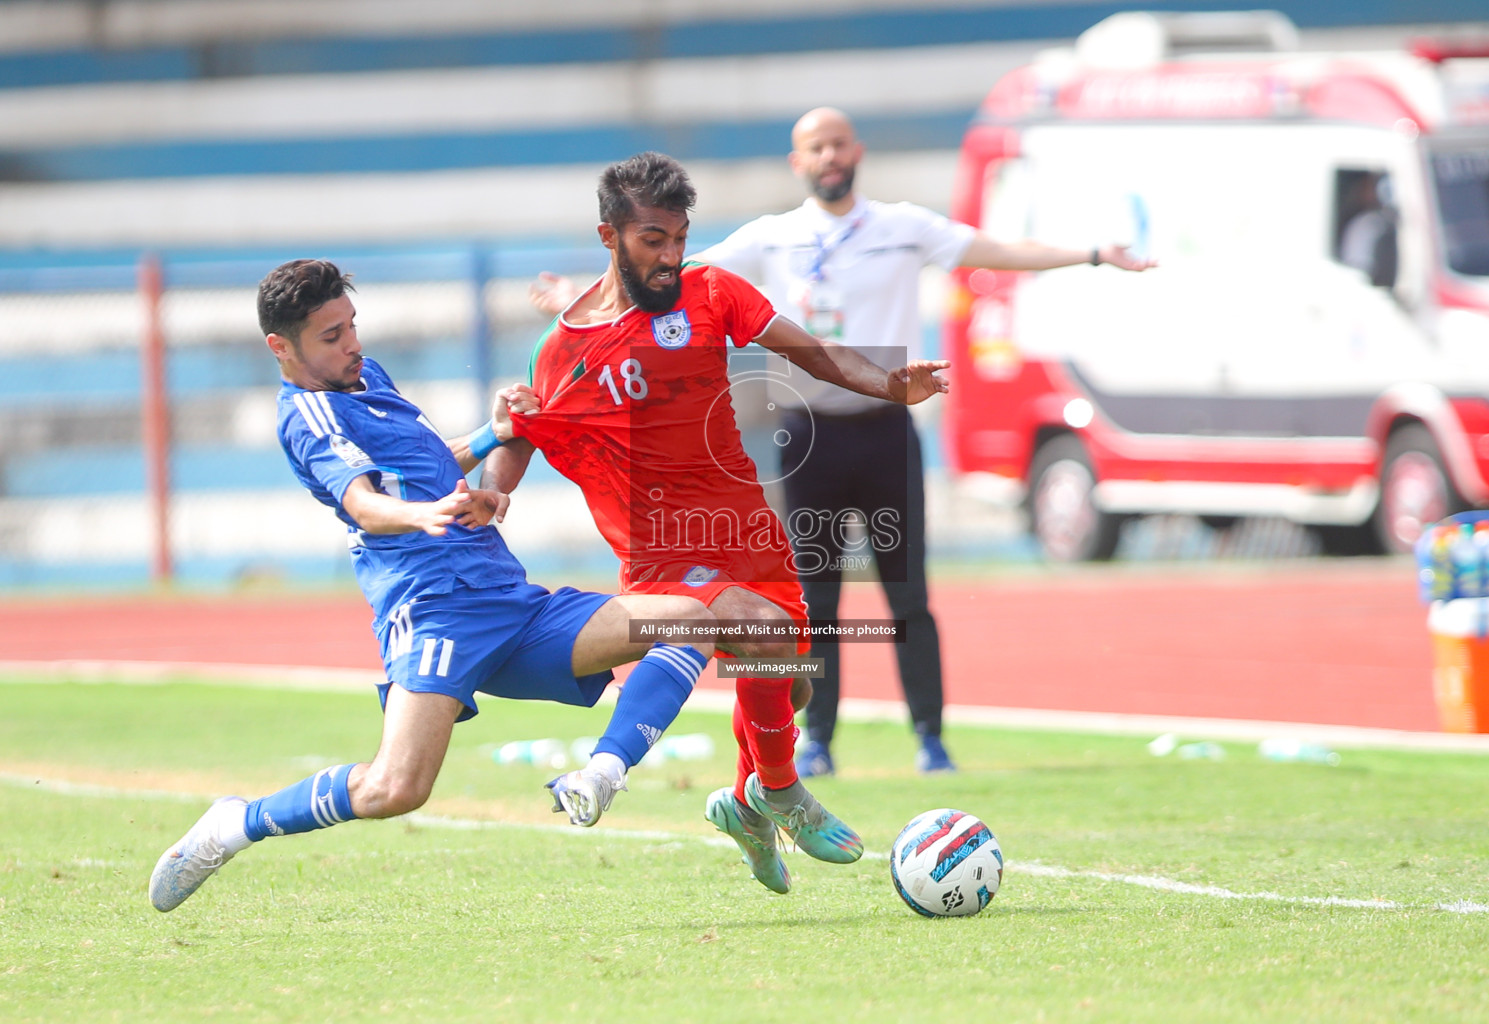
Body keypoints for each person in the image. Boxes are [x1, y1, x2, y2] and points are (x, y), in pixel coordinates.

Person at [531, 108, 1154, 779]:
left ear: (856, 152)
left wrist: (1092, 254)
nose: (829, 156)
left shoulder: (900, 225)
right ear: (797, 161)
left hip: (887, 427)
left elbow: (990, 250)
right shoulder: (772, 238)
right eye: (814, 147)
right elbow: (660, 274)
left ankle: (930, 740)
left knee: (901, 597)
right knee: (810, 606)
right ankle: (807, 751)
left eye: (837, 144)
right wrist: (583, 297)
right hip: (811, 435)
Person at [147, 259, 719, 913]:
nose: (352, 343)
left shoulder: (367, 378)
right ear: (283, 347)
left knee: (689, 618)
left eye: (351, 325)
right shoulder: (308, 415)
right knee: (395, 789)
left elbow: (424, 465)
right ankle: (236, 824)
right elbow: (364, 504)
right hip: (436, 611)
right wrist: (427, 514)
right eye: (331, 336)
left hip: (507, 600)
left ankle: (602, 773)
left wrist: (494, 434)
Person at [483, 151, 950, 894]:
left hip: (746, 527)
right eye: (653, 241)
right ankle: (775, 790)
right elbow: (521, 433)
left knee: (788, 682)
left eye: (679, 238)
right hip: (661, 543)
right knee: (754, 636)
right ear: (610, 237)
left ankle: (746, 805)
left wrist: (888, 386)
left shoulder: (710, 291)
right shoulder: (565, 351)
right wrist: (493, 494)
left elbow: (813, 352)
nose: (671, 257)